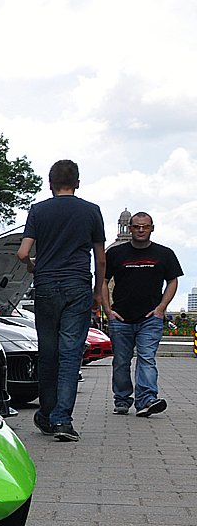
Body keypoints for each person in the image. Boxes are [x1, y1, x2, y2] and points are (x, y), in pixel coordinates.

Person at [15, 159, 107, 443]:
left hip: (46, 285)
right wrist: (97, 291)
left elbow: (22, 253)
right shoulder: (91, 211)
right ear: (77, 183)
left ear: (50, 183)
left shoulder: (38, 211)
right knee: (70, 354)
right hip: (78, 285)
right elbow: (101, 259)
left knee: (48, 353)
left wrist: (33, 266)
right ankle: (62, 420)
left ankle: (46, 413)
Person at [106, 211, 182, 417]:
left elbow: (173, 281)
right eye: (136, 226)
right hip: (120, 317)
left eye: (145, 226)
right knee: (121, 361)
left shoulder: (164, 253)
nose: (141, 230)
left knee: (147, 358)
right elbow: (102, 281)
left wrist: (161, 308)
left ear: (152, 228)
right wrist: (108, 310)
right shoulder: (115, 252)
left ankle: (146, 400)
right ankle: (122, 399)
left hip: (150, 318)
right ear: (129, 227)